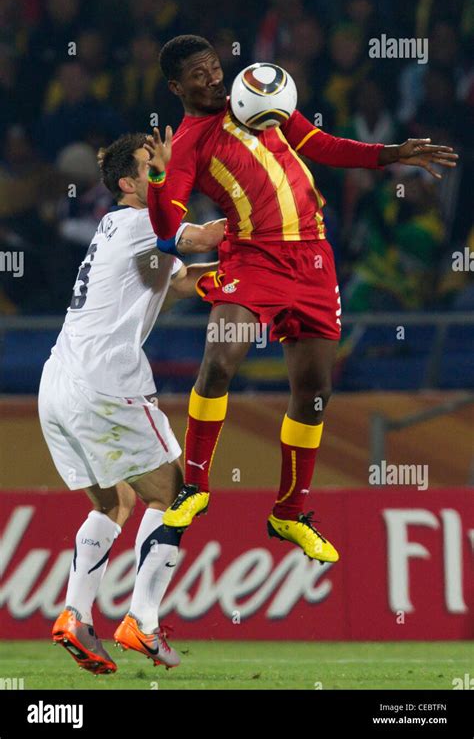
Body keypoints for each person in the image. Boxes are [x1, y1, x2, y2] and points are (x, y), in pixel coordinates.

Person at [145, 35, 458, 564]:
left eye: (214, 68)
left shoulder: (256, 99)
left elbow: (323, 145)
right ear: (176, 87)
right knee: (221, 360)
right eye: (198, 76)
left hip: (313, 259)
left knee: (315, 390)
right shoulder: (190, 143)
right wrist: (157, 176)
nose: (214, 79)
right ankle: (194, 486)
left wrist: (390, 155)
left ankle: (289, 513)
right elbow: (166, 228)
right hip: (253, 260)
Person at [39, 132, 224, 675]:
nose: (163, 175)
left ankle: (75, 613)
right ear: (127, 183)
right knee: (180, 496)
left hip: (59, 382)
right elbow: (200, 237)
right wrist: (262, 231)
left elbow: (183, 281)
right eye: (152, 169)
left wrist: (240, 279)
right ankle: (141, 620)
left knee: (114, 503)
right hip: (104, 383)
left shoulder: (121, 228)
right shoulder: (146, 223)